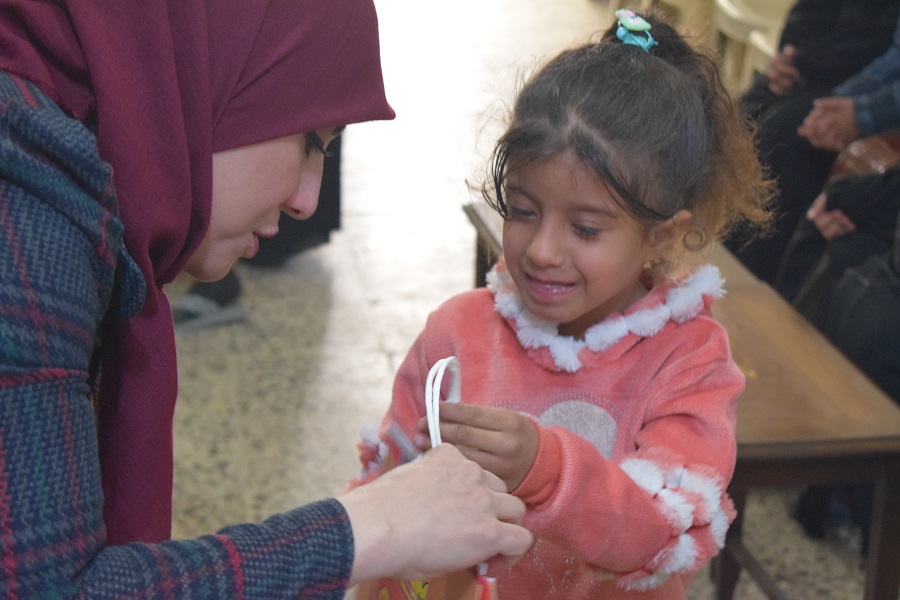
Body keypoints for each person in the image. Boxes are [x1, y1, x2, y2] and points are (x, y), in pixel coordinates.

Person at [0, 1, 533, 597]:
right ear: (219, 70)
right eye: (309, 142)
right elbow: (51, 588)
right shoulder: (25, 208)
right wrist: (369, 528)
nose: (307, 200)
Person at [350, 10, 774, 599]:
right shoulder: (457, 329)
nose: (542, 251)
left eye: (586, 229)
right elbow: (390, 491)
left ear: (661, 235)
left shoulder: (690, 361)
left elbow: (659, 535)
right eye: (523, 211)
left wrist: (545, 469)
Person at [724, 0, 900, 284]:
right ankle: (698, 266)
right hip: (835, 73)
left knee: (784, 138)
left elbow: (874, 42)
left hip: (863, 88)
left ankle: (750, 292)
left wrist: (858, 111)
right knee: (736, 118)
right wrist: (790, 58)